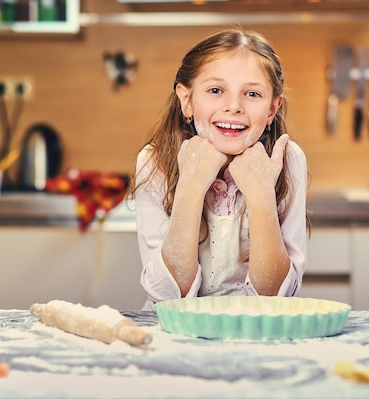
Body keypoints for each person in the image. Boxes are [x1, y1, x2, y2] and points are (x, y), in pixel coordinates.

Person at [127, 28, 310, 311]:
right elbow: (166, 297)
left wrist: (260, 192)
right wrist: (191, 185)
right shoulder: (155, 161)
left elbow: (276, 298)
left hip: (256, 335)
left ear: (273, 108)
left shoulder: (287, 160)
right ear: (186, 101)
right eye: (215, 90)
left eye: (252, 93)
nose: (233, 106)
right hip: (177, 337)